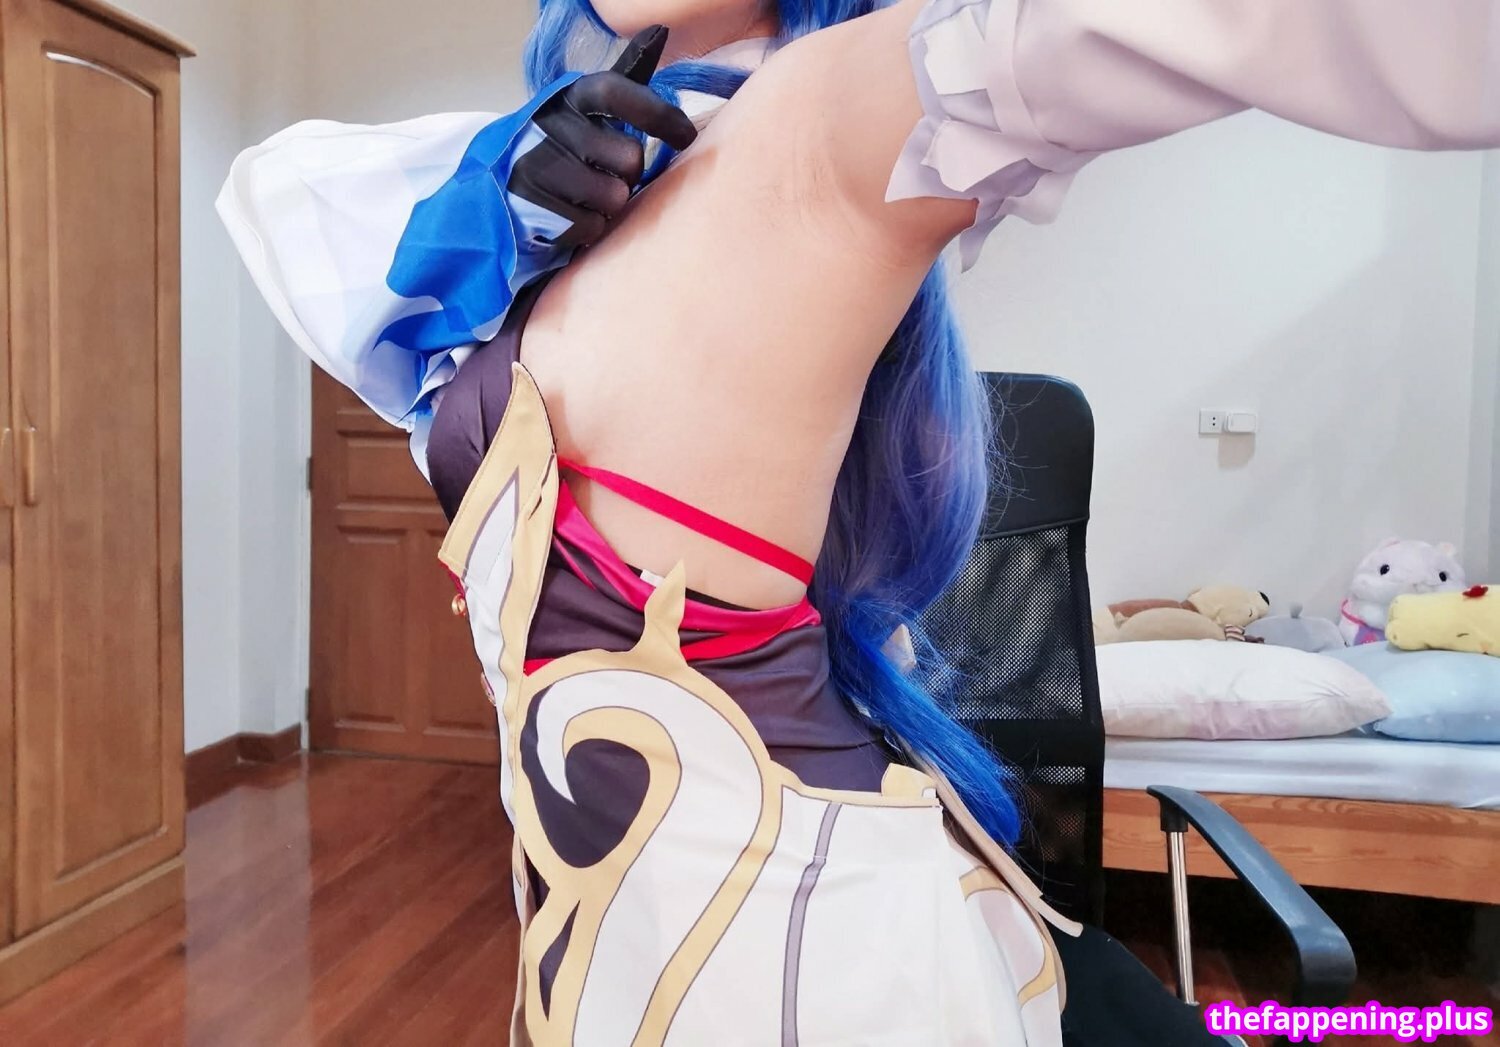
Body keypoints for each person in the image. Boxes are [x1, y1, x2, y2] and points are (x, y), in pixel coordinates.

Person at [220, 2, 1500, 1043]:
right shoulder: (574, 180)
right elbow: (284, 200)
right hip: (623, 962)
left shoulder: (822, 112)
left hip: (816, 974)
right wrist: (507, 192)